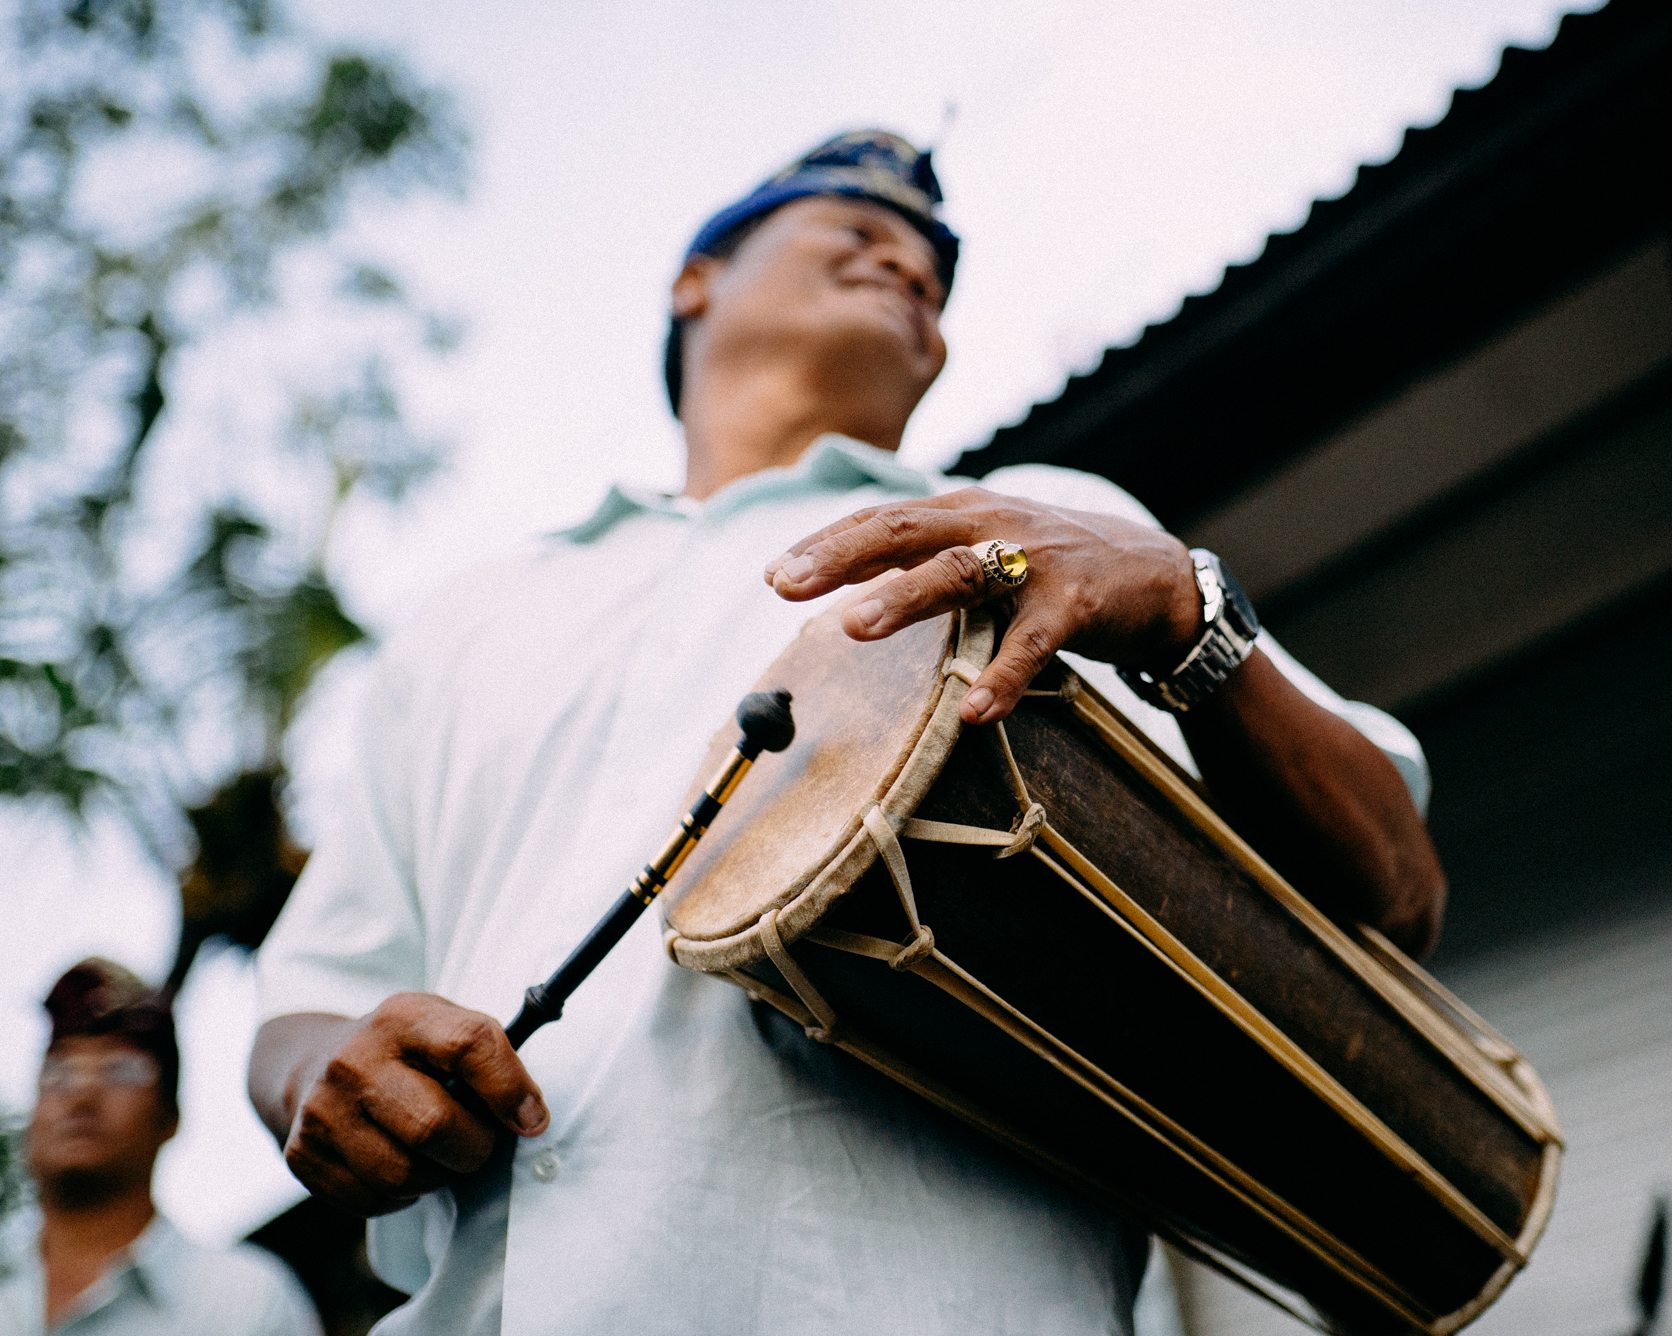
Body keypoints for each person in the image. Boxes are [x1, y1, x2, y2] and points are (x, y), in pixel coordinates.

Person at [247, 129, 1447, 1335]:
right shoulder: (468, 619)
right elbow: (311, 1001)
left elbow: (1397, 888)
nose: (912, 267)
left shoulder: (1035, 529)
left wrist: (1182, 603)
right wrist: (323, 1073)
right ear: (694, 281)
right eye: (857, 229)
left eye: (933, 275)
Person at [0, 958, 320, 1335]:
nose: (82, 1094)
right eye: (59, 1070)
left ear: (170, 1117)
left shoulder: (247, 1303)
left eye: (121, 1069)